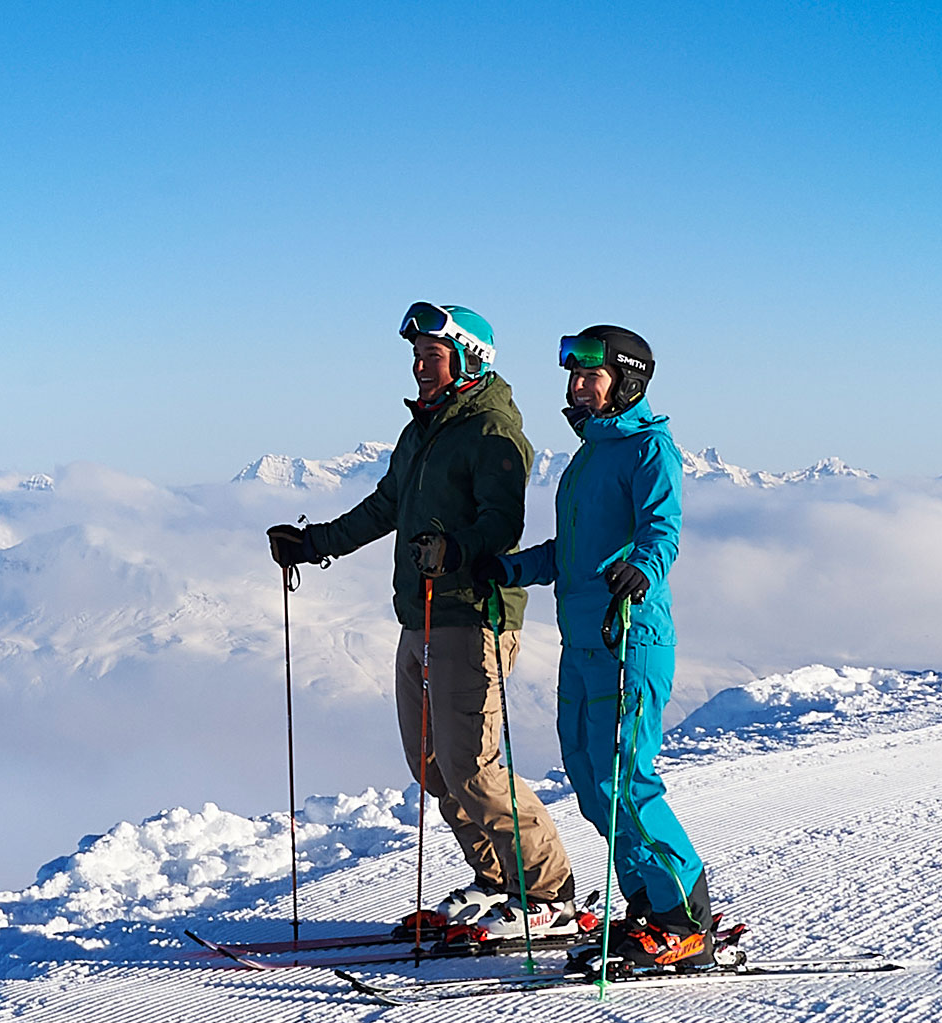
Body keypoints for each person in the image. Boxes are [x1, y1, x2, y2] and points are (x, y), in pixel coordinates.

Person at [268, 303, 576, 940]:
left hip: (471, 614)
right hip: (420, 612)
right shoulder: (424, 429)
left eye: (431, 356)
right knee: (433, 766)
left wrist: (458, 549)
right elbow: (388, 504)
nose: (418, 366)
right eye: (415, 356)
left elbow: (502, 521)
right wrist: (315, 542)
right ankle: (498, 881)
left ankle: (549, 893)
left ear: (468, 359)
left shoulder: (491, 430)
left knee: (474, 764)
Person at [484, 325, 717, 970]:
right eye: (574, 377)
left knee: (627, 780)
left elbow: (662, 530)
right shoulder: (587, 459)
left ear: (626, 381)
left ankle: (685, 918)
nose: (577, 388)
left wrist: (643, 565)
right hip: (582, 643)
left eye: (590, 376)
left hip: (630, 638)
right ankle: (645, 905)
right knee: (590, 781)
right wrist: (507, 570)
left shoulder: (649, 448)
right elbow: (571, 554)